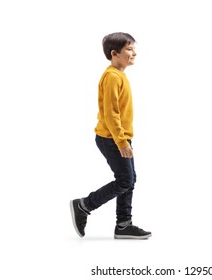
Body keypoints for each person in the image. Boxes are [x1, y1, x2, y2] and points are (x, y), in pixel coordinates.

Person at [70, 32, 151, 239]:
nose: (134, 53)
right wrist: (122, 142)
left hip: (119, 137)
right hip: (112, 138)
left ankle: (123, 225)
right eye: (129, 49)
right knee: (125, 180)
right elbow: (110, 113)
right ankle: (84, 205)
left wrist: (124, 139)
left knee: (129, 179)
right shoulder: (112, 77)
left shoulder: (119, 75)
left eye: (134, 48)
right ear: (114, 53)